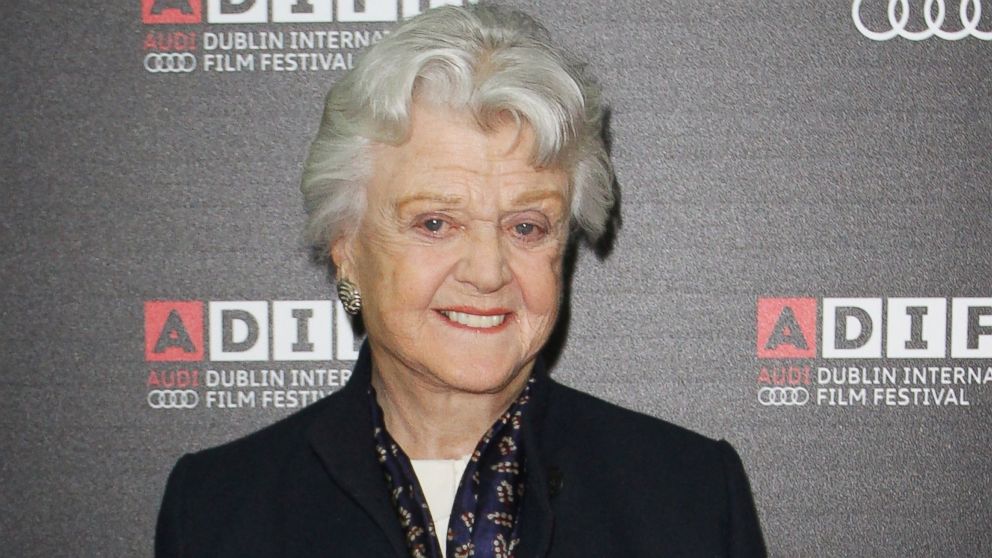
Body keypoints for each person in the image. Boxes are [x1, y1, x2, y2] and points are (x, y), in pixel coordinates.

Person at [155, 4, 766, 557]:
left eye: (527, 227)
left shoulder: (689, 496)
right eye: (436, 222)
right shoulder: (218, 511)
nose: (487, 271)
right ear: (346, 247)